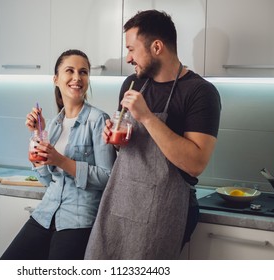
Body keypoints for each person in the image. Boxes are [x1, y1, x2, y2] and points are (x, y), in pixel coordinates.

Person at [85, 10, 221, 259]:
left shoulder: (201, 93)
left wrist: (146, 117)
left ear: (156, 46)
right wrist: (115, 137)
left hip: (164, 210)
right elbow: (127, 149)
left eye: (132, 49)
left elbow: (195, 164)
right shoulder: (132, 84)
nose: (128, 57)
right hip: (120, 200)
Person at [1, 49, 117, 260]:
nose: (77, 78)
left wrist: (61, 161)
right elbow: (47, 179)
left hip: (79, 219)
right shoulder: (54, 125)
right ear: (56, 79)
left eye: (83, 72)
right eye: (69, 71)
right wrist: (37, 136)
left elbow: (108, 177)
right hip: (46, 213)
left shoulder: (98, 120)